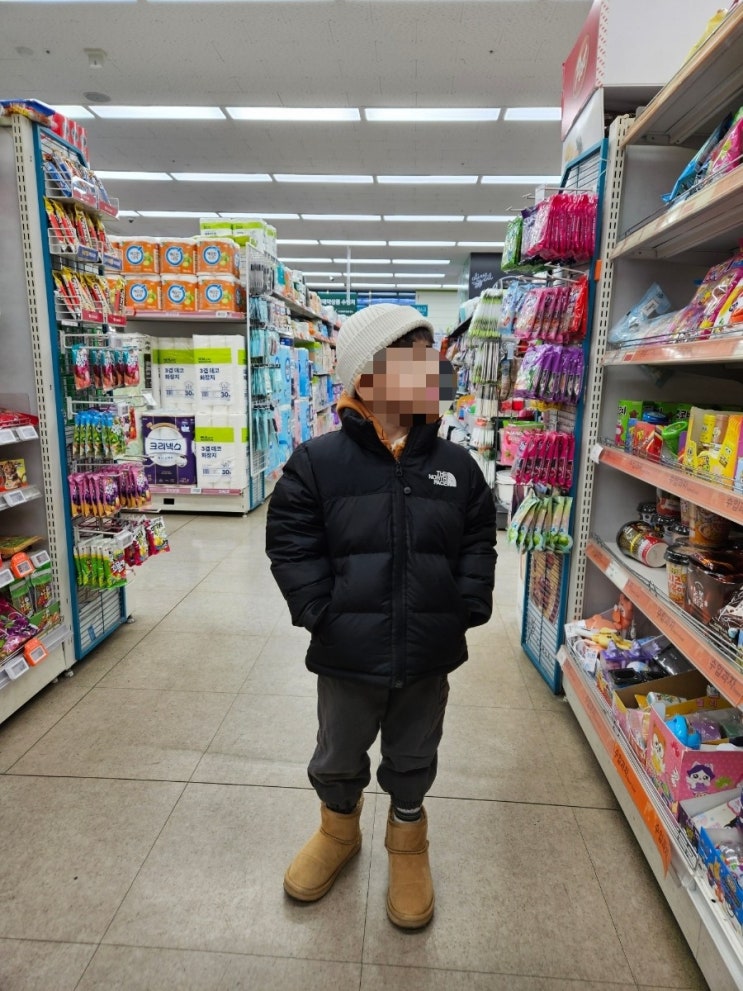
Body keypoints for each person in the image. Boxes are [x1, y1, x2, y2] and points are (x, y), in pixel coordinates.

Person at [265, 303, 497, 929]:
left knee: (415, 751)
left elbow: (479, 537)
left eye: (432, 360)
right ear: (366, 377)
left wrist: (466, 603)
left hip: (428, 648)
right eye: (412, 361)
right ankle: (338, 831)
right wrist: (319, 611)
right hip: (347, 650)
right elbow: (291, 542)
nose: (433, 373)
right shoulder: (318, 462)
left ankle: (408, 839)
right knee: (338, 751)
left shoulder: (456, 467)